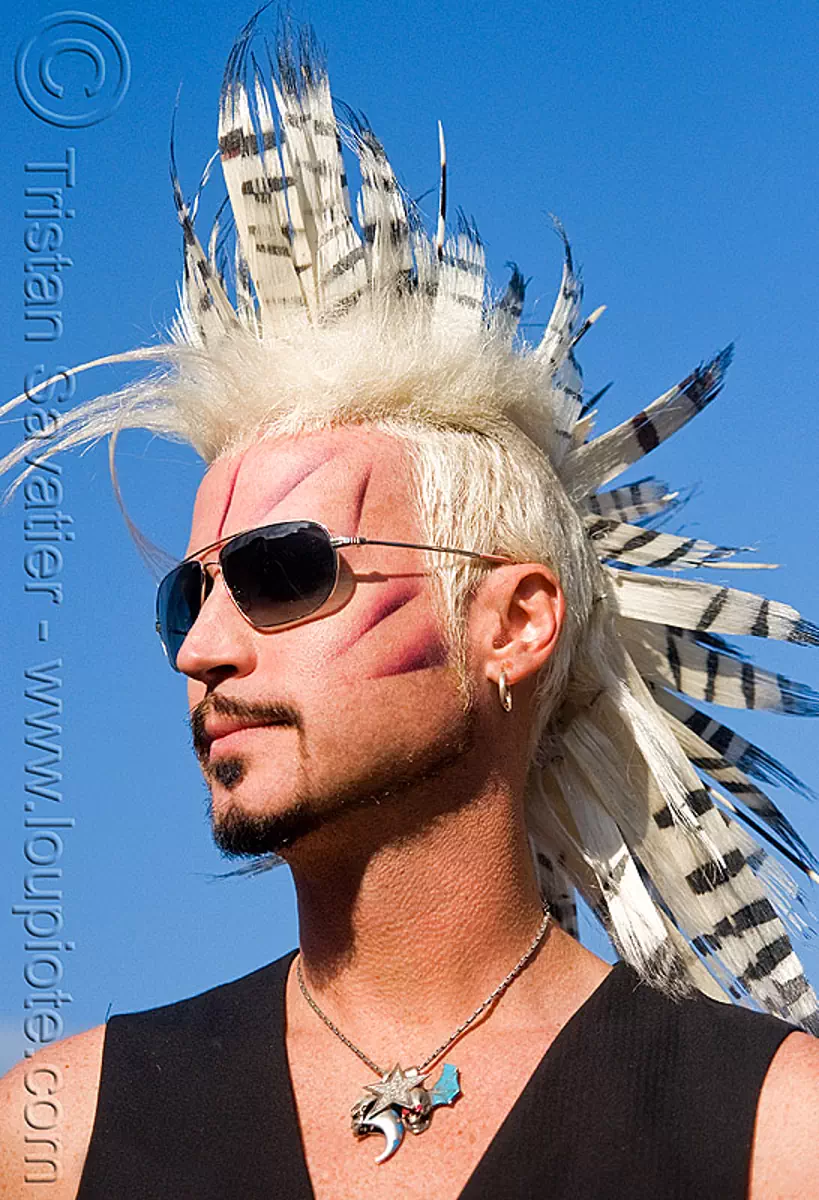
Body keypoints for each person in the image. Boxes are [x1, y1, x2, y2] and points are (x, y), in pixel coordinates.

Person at [1, 14, 819, 1199]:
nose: (205, 650)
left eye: (286, 571)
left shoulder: (774, 1138)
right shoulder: (58, 1135)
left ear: (515, 622)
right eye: (189, 595)